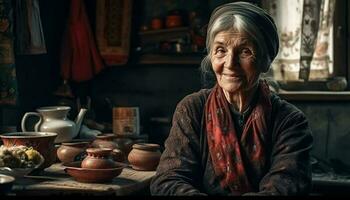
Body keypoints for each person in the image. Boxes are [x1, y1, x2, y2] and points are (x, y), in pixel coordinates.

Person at [150, 1, 313, 196]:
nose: (230, 63)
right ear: (211, 57)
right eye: (221, 50)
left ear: (265, 61)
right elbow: (168, 180)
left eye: (245, 51)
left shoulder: (289, 120)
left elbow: (286, 186)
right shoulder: (193, 108)